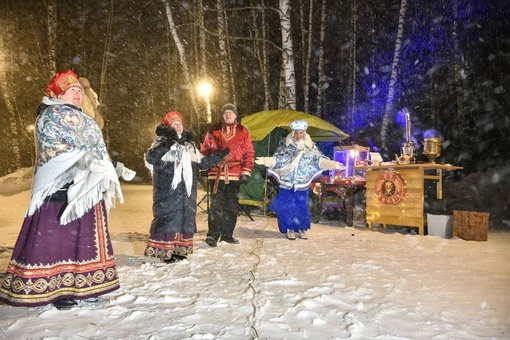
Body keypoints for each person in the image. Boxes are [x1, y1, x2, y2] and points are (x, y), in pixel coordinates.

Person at [0, 70, 123, 310]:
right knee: (59, 243)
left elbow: (98, 147)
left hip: (88, 190)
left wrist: (107, 166)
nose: (78, 94)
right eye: (72, 90)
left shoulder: (86, 118)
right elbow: (57, 149)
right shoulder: (50, 115)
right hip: (60, 190)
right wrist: (85, 159)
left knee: (86, 243)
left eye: (79, 90)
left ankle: (87, 288)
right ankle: (58, 291)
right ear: (59, 93)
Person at [144, 111, 230, 263]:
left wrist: (219, 156)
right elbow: (151, 158)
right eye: (174, 124)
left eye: (180, 124)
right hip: (168, 190)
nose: (178, 126)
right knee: (169, 218)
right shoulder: (161, 141)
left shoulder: (189, 146)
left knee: (185, 219)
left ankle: (179, 250)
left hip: (187, 192)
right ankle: (165, 252)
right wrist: (167, 143)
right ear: (168, 126)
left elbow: (202, 163)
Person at [255, 120, 344, 240]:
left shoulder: (311, 147)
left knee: (302, 206)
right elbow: (278, 159)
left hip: (302, 182)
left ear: (304, 133)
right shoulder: (285, 145)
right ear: (293, 133)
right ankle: (289, 228)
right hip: (287, 182)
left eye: (301, 133)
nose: (298, 135)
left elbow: (319, 161)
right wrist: (266, 161)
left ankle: (301, 228)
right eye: (296, 133)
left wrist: (333, 165)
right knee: (288, 207)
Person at [200, 103, 255, 247]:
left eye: (231, 112)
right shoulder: (214, 130)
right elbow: (205, 150)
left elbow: (249, 153)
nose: (228, 114)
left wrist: (246, 172)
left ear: (236, 115)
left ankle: (227, 235)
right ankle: (212, 235)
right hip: (216, 173)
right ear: (223, 115)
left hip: (235, 173)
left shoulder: (243, 131)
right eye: (226, 113)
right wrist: (209, 163)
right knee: (215, 206)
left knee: (231, 206)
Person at [78, 76, 136, 182]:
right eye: (95, 99)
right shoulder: (83, 122)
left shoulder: (89, 125)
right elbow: (92, 153)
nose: (98, 103)